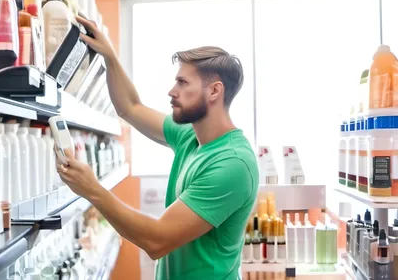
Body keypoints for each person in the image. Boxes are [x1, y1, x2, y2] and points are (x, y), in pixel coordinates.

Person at [56, 16, 259, 280]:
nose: (171, 91)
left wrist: (92, 190)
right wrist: (110, 58)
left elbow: (158, 240)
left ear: (214, 91)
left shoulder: (232, 163)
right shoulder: (190, 136)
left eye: (183, 83)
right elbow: (130, 107)